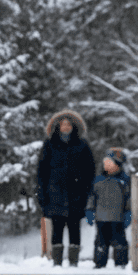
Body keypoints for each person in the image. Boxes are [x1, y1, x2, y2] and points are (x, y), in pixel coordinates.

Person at [36, 110, 96, 266]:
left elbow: (90, 171)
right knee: (57, 229)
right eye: (62, 124)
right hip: (54, 195)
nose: (65, 126)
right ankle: (57, 263)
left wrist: (86, 192)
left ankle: (74, 263)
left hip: (76, 195)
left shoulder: (82, 145)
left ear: (73, 126)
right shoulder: (49, 145)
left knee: (74, 228)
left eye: (68, 124)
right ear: (58, 126)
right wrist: (42, 194)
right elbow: (41, 172)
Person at [86, 148, 132, 269]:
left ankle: (121, 264)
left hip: (118, 218)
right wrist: (90, 210)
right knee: (101, 242)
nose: (106, 164)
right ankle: (99, 264)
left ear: (118, 164)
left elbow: (128, 199)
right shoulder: (98, 180)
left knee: (120, 242)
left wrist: (128, 213)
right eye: (105, 162)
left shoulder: (124, 181)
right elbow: (92, 196)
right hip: (101, 217)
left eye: (110, 162)